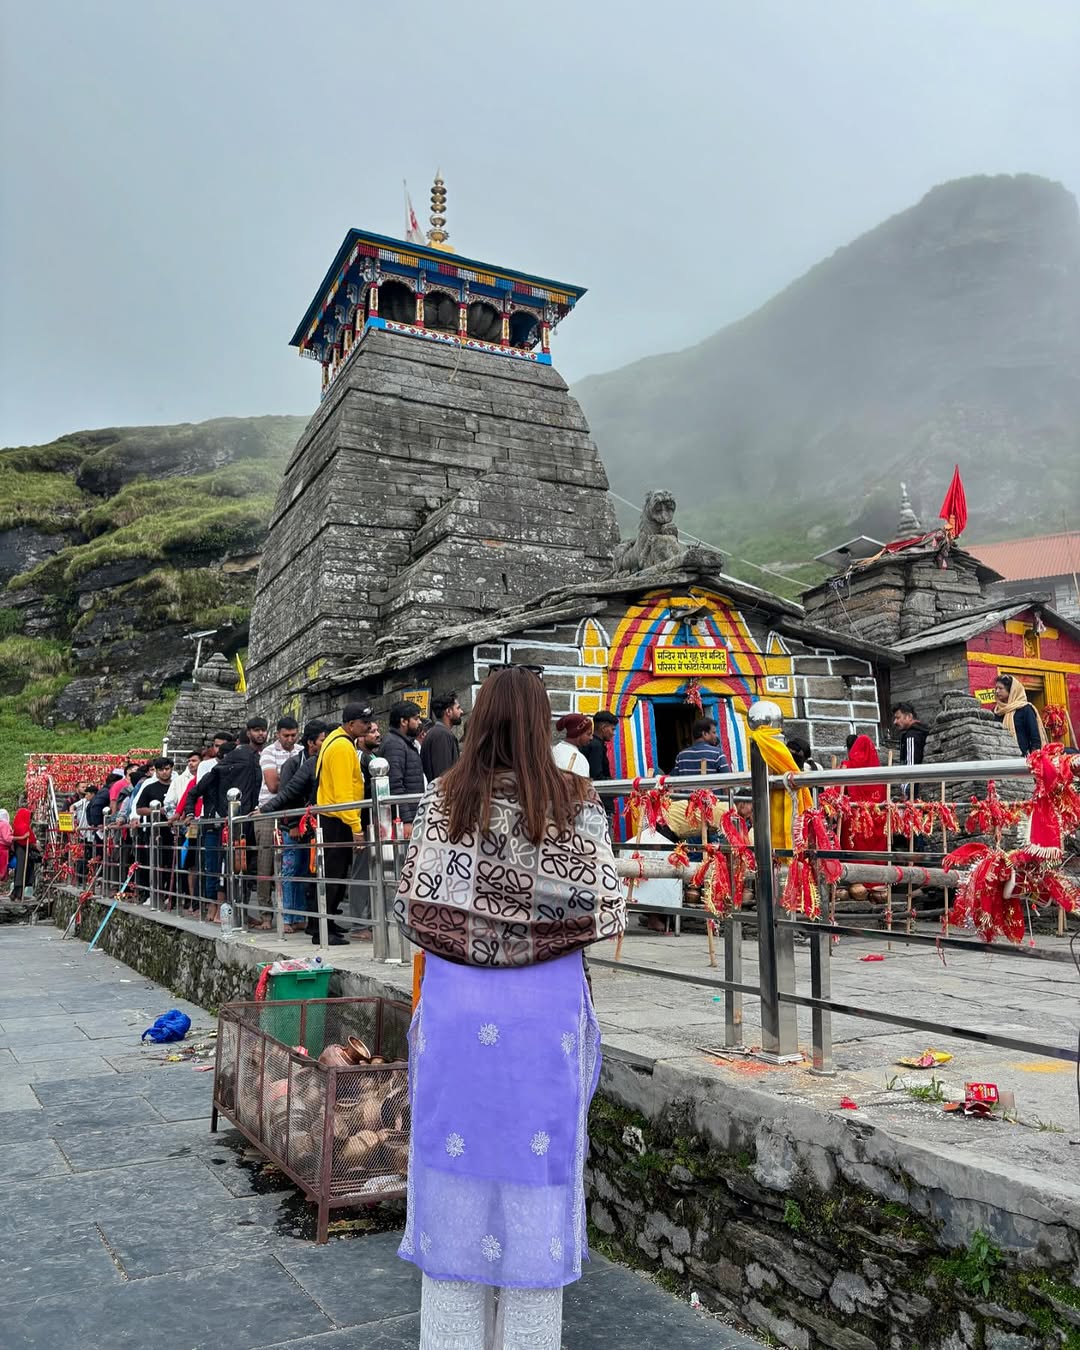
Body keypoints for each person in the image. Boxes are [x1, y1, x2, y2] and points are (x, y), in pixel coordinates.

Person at [394, 666, 625, 1349]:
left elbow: (413, 900)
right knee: (539, 1170)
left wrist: (480, 916)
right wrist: (533, 916)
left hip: (455, 1001)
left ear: (475, 720)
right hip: (543, 1006)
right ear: (542, 721)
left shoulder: (442, 797)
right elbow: (604, 902)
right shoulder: (575, 799)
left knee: (450, 1159)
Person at [314, 703, 373, 946]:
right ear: (350, 724)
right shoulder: (340, 746)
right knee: (334, 875)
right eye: (364, 722)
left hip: (335, 817)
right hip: (337, 819)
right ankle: (322, 930)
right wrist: (356, 827)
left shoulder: (339, 742)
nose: (368, 727)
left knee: (334, 875)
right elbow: (343, 793)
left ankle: (325, 923)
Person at [255, 716, 301, 922]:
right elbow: (273, 785)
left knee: (292, 865)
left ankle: (292, 914)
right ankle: (266, 914)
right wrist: (296, 778)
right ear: (277, 735)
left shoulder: (300, 751)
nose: (290, 739)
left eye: (293, 735)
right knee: (266, 865)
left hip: (292, 812)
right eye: (286, 736)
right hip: (268, 813)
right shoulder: (268, 752)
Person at [839, 735, 888, 857]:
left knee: (855, 854)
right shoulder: (880, 772)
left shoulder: (847, 766)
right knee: (875, 854)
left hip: (854, 818)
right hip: (875, 818)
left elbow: (838, 791)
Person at [135, 757, 174, 904]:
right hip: (156, 832)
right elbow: (139, 809)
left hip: (174, 831)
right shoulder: (149, 788)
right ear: (156, 772)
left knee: (172, 864)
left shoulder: (177, 785)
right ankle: (154, 893)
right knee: (156, 863)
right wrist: (156, 811)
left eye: (167, 769)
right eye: (161, 770)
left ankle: (171, 896)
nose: (165, 772)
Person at [383, 700, 425, 837]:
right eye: (416, 718)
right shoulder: (394, 745)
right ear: (403, 721)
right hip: (404, 820)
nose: (419, 723)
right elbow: (395, 784)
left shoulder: (404, 743)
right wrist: (406, 820)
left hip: (413, 814)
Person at [992, 674, 1046, 756]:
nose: (997, 691)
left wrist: (1034, 757)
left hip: (1023, 758)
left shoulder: (1025, 709)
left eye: (1000, 688)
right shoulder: (996, 711)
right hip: (1001, 757)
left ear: (1012, 690)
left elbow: (1035, 738)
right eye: (996, 688)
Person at [420, 692, 463, 782]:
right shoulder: (441, 735)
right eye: (458, 708)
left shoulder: (439, 733)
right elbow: (443, 774)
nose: (461, 711)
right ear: (448, 712)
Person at [582, 709, 620, 781]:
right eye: (612, 729)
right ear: (603, 728)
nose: (614, 733)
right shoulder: (596, 746)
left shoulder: (593, 743)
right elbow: (597, 777)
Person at [10, 806, 37, 900]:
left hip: (19, 850)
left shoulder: (16, 825)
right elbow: (32, 840)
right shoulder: (24, 826)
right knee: (23, 871)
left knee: (20, 871)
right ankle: (17, 894)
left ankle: (16, 893)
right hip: (23, 851)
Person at [0, 808, 12, 892]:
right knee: (2, 871)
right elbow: (7, 838)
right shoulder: (4, 825)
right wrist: (15, 838)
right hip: (3, 849)